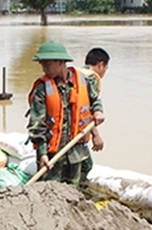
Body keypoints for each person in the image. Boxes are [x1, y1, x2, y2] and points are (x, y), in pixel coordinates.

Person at [27, 41, 105, 188]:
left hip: (76, 149)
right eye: (42, 64)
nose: (44, 68)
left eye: (47, 64)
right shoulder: (42, 89)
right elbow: (36, 125)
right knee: (48, 191)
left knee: (73, 190)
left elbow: (94, 100)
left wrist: (98, 111)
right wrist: (42, 153)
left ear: (61, 62)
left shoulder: (82, 81)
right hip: (52, 155)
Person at [77, 47, 109, 185]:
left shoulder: (77, 73)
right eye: (106, 68)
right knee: (86, 165)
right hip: (77, 130)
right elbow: (87, 109)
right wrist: (96, 135)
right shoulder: (91, 79)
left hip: (64, 127)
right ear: (100, 65)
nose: (104, 72)